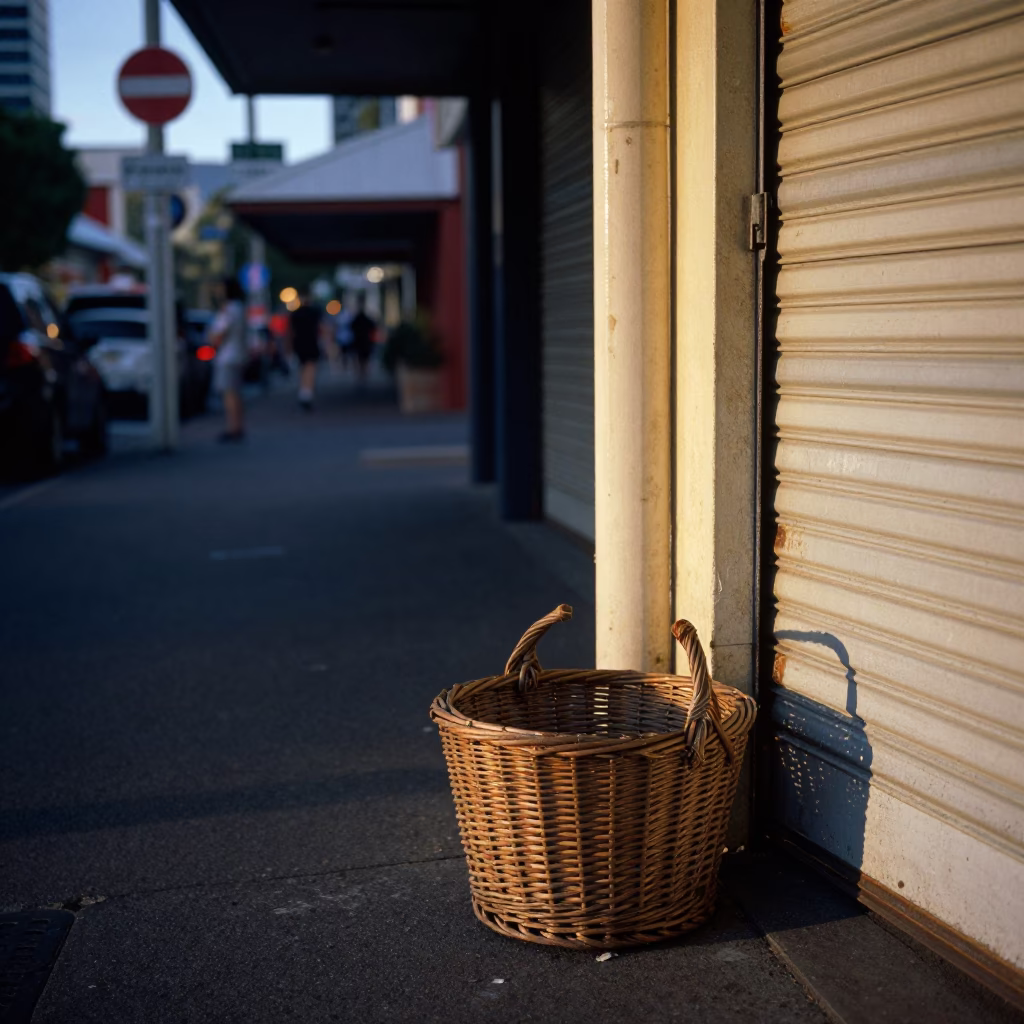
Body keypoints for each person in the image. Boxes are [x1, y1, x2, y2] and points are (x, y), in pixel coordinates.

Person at [208, 277, 247, 442]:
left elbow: (218, 335)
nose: (217, 292)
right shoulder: (238, 308)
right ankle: (237, 426)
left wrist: (212, 338)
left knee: (229, 393)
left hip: (227, 357)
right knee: (235, 393)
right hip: (236, 355)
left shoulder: (228, 310)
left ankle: (233, 428)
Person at [288, 286, 327, 410]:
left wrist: (288, 347)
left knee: (302, 367)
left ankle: (303, 391)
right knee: (310, 367)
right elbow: (322, 328)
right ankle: (307, 393)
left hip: (299, 343)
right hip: (311, 342)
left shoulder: (295, 313)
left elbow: (290, 332)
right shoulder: (315, 311)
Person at [350, 293, 377, 383]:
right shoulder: (364, 318)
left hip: (360, 340)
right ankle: (363, 372)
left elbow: (351, 327)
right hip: (364, 340)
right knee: (364, 357)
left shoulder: (357, 318)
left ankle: (361, 373)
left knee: (360, 357)